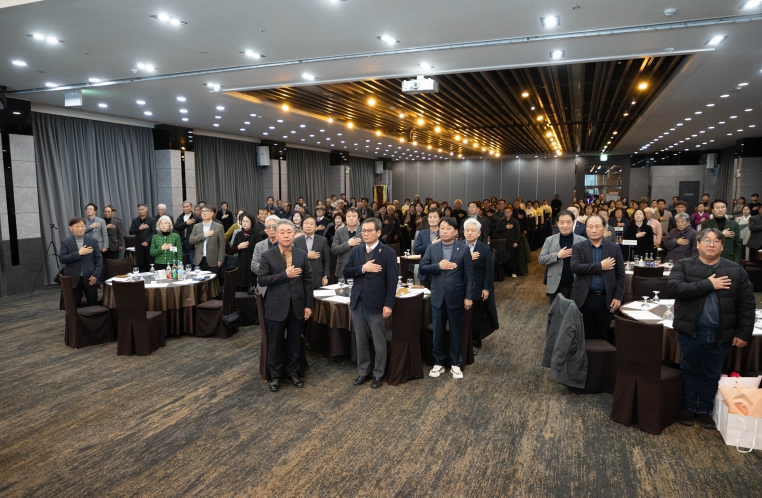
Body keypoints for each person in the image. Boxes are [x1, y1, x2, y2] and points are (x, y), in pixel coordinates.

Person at [669, 228, 754, 429]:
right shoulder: (683, 265)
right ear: (698, 244)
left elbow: (747, 304)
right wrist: (709, 284)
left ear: (722, 246)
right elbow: (675, 289)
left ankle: (704, 410)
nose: (711, 244)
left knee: (712, 373)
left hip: (721, 334)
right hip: (692, 332)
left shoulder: (736, 270)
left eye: (717, 241)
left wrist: (743, 332)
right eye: (706, 240)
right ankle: (688, 407)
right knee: (689, 370)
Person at [258, 219, 313, 392]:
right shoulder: (267, 255)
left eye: (289, 232)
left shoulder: (301, 254)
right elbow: (262, 280)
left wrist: (308, 305)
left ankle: (293, 372)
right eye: (282, 232)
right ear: (276, 234)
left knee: (295, 342)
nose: (286, 235)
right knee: (275, 343)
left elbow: (308, 281)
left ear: (294, 234)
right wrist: (285, 274)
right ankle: (275, 375)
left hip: (297, 305)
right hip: (276, 306)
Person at [342, 218, 397, 388]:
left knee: (379, 341)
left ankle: (378, 374)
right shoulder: (356, 251)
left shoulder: (388, 252)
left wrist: (388, 304)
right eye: (363, 231)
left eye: (369, 230)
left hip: (377, 303)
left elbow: (392, 281)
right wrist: (363, 268)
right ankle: (363, 372)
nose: (365, 234)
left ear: (378, 232)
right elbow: (346, 272)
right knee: (361, 340)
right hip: (358, 302)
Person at [419, 217, 474, 379]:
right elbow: (422, 268)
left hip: (456, 296)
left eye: (448, 228)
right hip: (437, 296)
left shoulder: (463, 249)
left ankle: (456, 363)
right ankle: (438, 362)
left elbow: (469, 276)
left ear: (456, 231)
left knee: (456, 331)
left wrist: (469, 297)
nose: (444, 231)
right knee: (438, 331)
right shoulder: (432, 248)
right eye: (442, 228)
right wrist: (438, 266)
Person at [570, 215, 625, 341]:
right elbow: (575, 267)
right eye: (590, 227)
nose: (594, 230)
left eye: (597, 226)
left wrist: (618, 297)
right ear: (586, 229)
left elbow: (620, 275)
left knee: (603, 335)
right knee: (581, 335)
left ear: (604, 228)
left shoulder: (614, 247)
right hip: (584, 297)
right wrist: (600, 266)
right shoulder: (578, 247)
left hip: (606, 298)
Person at [462, 218, 499, 353]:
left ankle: (475, 343)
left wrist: (486, 288)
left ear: (479, 233)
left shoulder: (484, 248)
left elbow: (489, 271)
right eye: (467, 230)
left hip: (477, 286)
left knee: (476, 317)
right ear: (463, 232)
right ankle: (462, 341)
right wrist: (468, 257)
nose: (469, 233)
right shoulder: (458, 246)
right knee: (461, 316)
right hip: (460, 286)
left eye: (473, 230)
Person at [539, 210, 586, 303]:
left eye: (568, 222)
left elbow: (588, 262)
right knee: (557, 311)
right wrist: (558, 255)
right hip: (556, 286)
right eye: (562, 222)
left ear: (573, 223)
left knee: (576, 311)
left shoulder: (582, 241)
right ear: (557, 223)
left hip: (576, 285)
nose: (565, 225)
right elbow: (541, 260)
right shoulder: (550, 240)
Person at [60, 217, 103, 306]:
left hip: (90, 276)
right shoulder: (65, 242)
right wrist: (79, 253)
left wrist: (96, 274)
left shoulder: (93, 241)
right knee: (75, 304)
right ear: (70, 228)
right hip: (73, 277)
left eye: (82, 226)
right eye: (77, 226)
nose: (80, 229)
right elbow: (62, 259)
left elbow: (99, 259)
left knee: (93, 303)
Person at [188, 206, 226, 276]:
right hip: (199, 260)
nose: (204, 213)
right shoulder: (196, 226)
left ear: (212, 213)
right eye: (202, 211)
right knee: (199, 281)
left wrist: (221, 259)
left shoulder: (219, 226)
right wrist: (204, 235)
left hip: (213, 260)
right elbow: (191, 240)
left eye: (207, 211)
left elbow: (222, 244)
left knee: (213, 281)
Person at [294, 216, 330, 287]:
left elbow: (326, 260)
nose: (308, 226)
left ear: (316, 226)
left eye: (311, 224)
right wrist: (306, 256)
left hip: (318, 276)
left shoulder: (323, 240)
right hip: (301, 276)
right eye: (306, 223)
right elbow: (294, 259)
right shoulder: (297, 241)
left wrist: (325, 276)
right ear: (302, 226)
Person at [231, 213, 262, 293]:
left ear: (251, 222)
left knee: (251, 286)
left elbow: (260, 251)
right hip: (240, 263)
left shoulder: (256, 234)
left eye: (247, 221)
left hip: (251, 262)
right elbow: (232, 249)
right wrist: (238, 247)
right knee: (241, 287)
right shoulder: (238, 234)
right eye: (243, 221)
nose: (244, 223)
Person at [251, 215, 280, 296]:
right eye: (268, 227)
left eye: (274, 226)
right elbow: (253, 266)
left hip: (281, 286)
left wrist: (264, 269)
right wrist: (275, 267)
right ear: (265, 229)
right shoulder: (259, 246)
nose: (271, 229)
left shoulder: (286, 245)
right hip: (264, 288)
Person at [331, 208, 362, 280]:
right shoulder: (339, 231)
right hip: (343, 268)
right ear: (345, 218)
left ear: (358, 219)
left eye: (354, 216)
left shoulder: (364, 231)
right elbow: (334, 250)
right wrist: (348, 244)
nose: (351, 218)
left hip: (360, 268)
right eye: (348, 216)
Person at [493, 206, 521, 278]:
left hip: (512, 242)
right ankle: (505, 272)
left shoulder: (515, 221)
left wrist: (516, 242)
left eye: (509, 211)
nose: (507, 213)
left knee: (512, 257)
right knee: (503, 257)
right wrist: (506, 227)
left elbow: (518, 232)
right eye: (505, 212)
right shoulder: (501, 221)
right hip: (502, 243)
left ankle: (514, 271)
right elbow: (497, 230)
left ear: (511, 212)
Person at [128, 204, 156, 272]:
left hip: (149, 246)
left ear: (146, 210)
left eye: (142, 209)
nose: (141, 211)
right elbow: (131, 231)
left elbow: (154, 232)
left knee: (150, 264)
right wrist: (139, 228)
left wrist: (147, 241)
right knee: (140, 265)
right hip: (139, 246)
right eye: (139, 210)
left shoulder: (152, 220)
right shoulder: (135, 220)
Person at [174, 201, 201, 268]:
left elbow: (200, 231)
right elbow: (176, 227)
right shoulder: (180, 217)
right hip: (182, 242)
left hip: (192, 243)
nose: (185, 208)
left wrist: (197, 242)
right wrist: (186, 223)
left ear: (191, 207)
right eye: (184, 207)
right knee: (182, 260)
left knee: (192, 261)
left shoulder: (196, 218)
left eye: (187, 207)